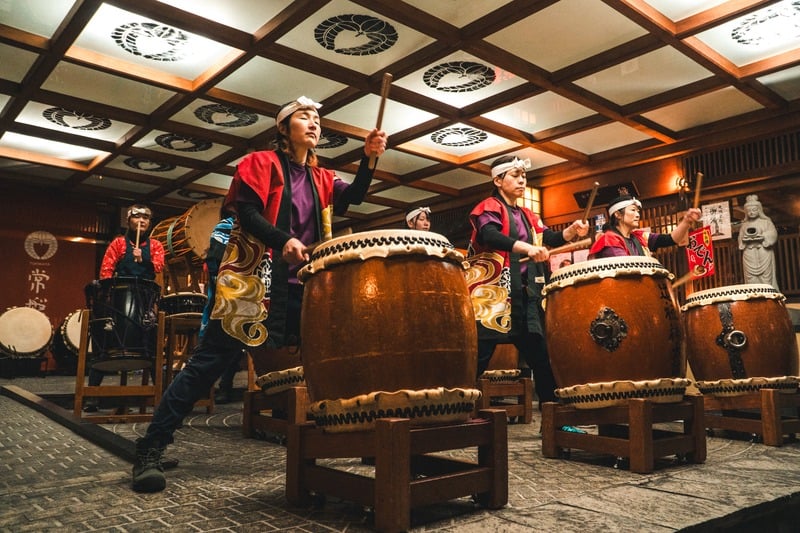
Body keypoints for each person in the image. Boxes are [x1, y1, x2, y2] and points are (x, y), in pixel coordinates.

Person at [130, 96, 387, 492]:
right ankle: (150, 448)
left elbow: (353, 197)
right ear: (283, 128)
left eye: (318, 118)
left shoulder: (322, 177)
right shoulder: (258, 163)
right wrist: (283, 240)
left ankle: (359, 436)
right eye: (304, 116)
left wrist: (369, 159)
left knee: (335, 356)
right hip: (252, 278)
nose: (314, 123)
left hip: (304, 282)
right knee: (209, 364)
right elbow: (247, 213)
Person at [466, 155, 589, 428]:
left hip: (525, 298)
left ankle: (556, 423)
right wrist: (526, 248)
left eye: (523, 175)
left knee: (542, 361)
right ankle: (452, 414)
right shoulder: (489, 207)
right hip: (493, 298)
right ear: (498, 180)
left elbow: (549, 238)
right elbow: (489, 235)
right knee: (476, 360)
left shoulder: (529, 216)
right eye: (514, 174)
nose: (521, 179)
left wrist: (570, 232)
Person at [84, 204, 165, 412]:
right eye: (137, 217)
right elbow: (106, 270)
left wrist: (143, 259)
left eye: (146, 218)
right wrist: (107, 299)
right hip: (119, 298)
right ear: (129, 220)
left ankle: (161, 397)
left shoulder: (155, 245)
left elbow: (158, 266)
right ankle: (92, 395)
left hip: (145, 298)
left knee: (151, 345)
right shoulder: (118, 243)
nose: (142, 221)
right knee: (107, 341)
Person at [199, 214, 244, 404]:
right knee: (221, 340)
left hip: (249, 291)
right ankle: (209, 386)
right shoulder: (224, 227)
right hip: (225, 292)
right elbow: (214, 265)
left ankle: (226, 385)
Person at [588, 193, 701, 259]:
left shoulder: (639, 237)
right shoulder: (609, 239)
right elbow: (625, 268)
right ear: (617, 214)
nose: (637, 215)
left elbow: (670, 239)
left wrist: (686, 222)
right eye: (633, 210)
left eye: (638, 211)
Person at [738, 194, 779, 290]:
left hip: (763, 250)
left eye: (754, 210)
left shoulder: (766, 222)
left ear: (759, 210)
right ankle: (754, 294)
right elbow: (740, 237)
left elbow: (773, 234)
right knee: (750, 277)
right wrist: (743, 240)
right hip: (749, 252)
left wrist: (764, 236)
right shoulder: (744, 225)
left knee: (766, 275)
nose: (751, 213)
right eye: (749, 211)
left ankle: (767, 293)